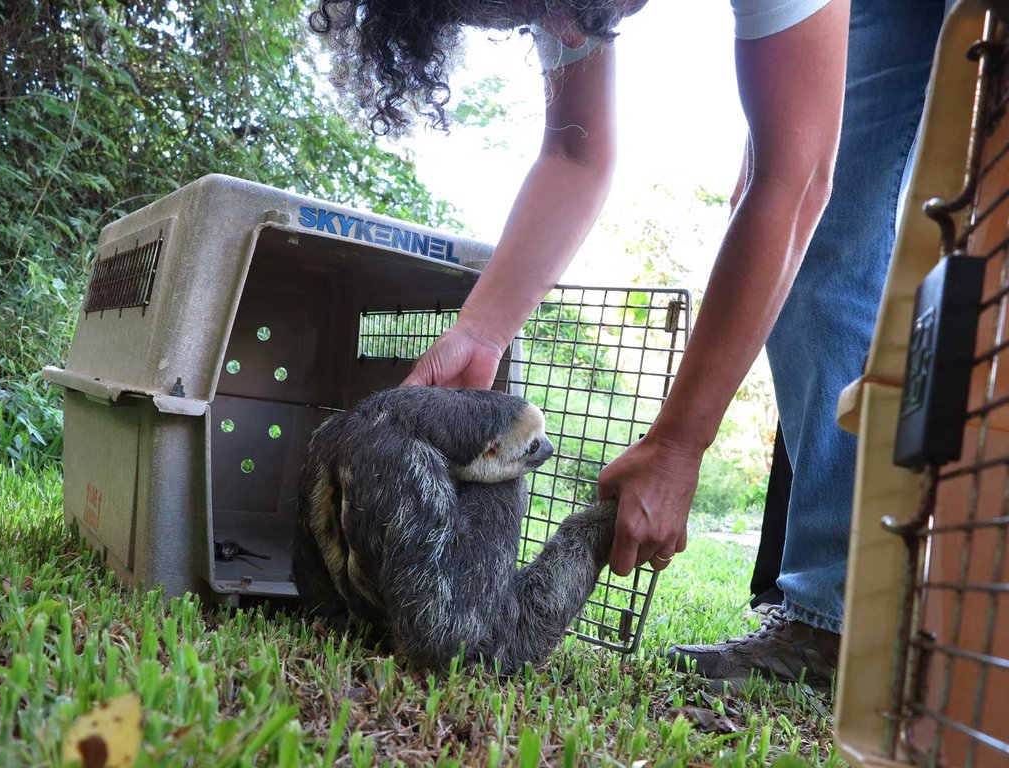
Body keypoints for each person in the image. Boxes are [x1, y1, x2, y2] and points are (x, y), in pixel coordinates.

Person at [308, 0, 947, 689]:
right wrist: (482, 329)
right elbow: (574, 151)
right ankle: (833, 621)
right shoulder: (563, 6)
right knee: (822, 249)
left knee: (850, 201)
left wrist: (678, 446)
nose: (568, 29)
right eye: (540, 15)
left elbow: (793, 184)